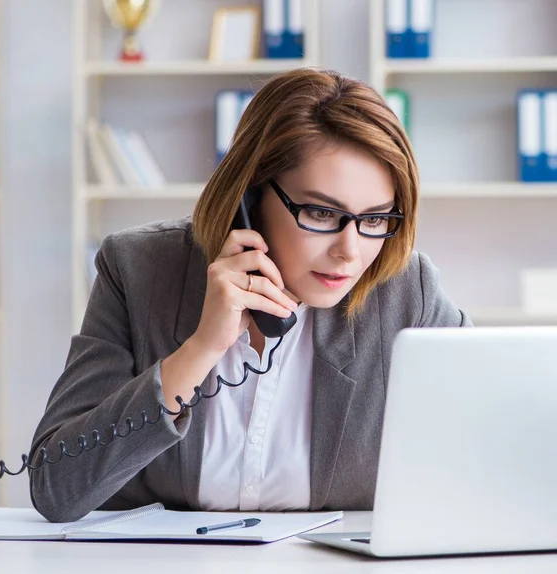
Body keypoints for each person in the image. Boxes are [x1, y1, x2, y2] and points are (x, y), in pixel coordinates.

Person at [29, 68, 471, 523]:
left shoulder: (406, 294)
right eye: (321, 212)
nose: (349, 251)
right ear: (249, 196)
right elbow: (55, 490)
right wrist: (202, 349)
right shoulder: (138, 270)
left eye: (375, 219)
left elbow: (491, 449)